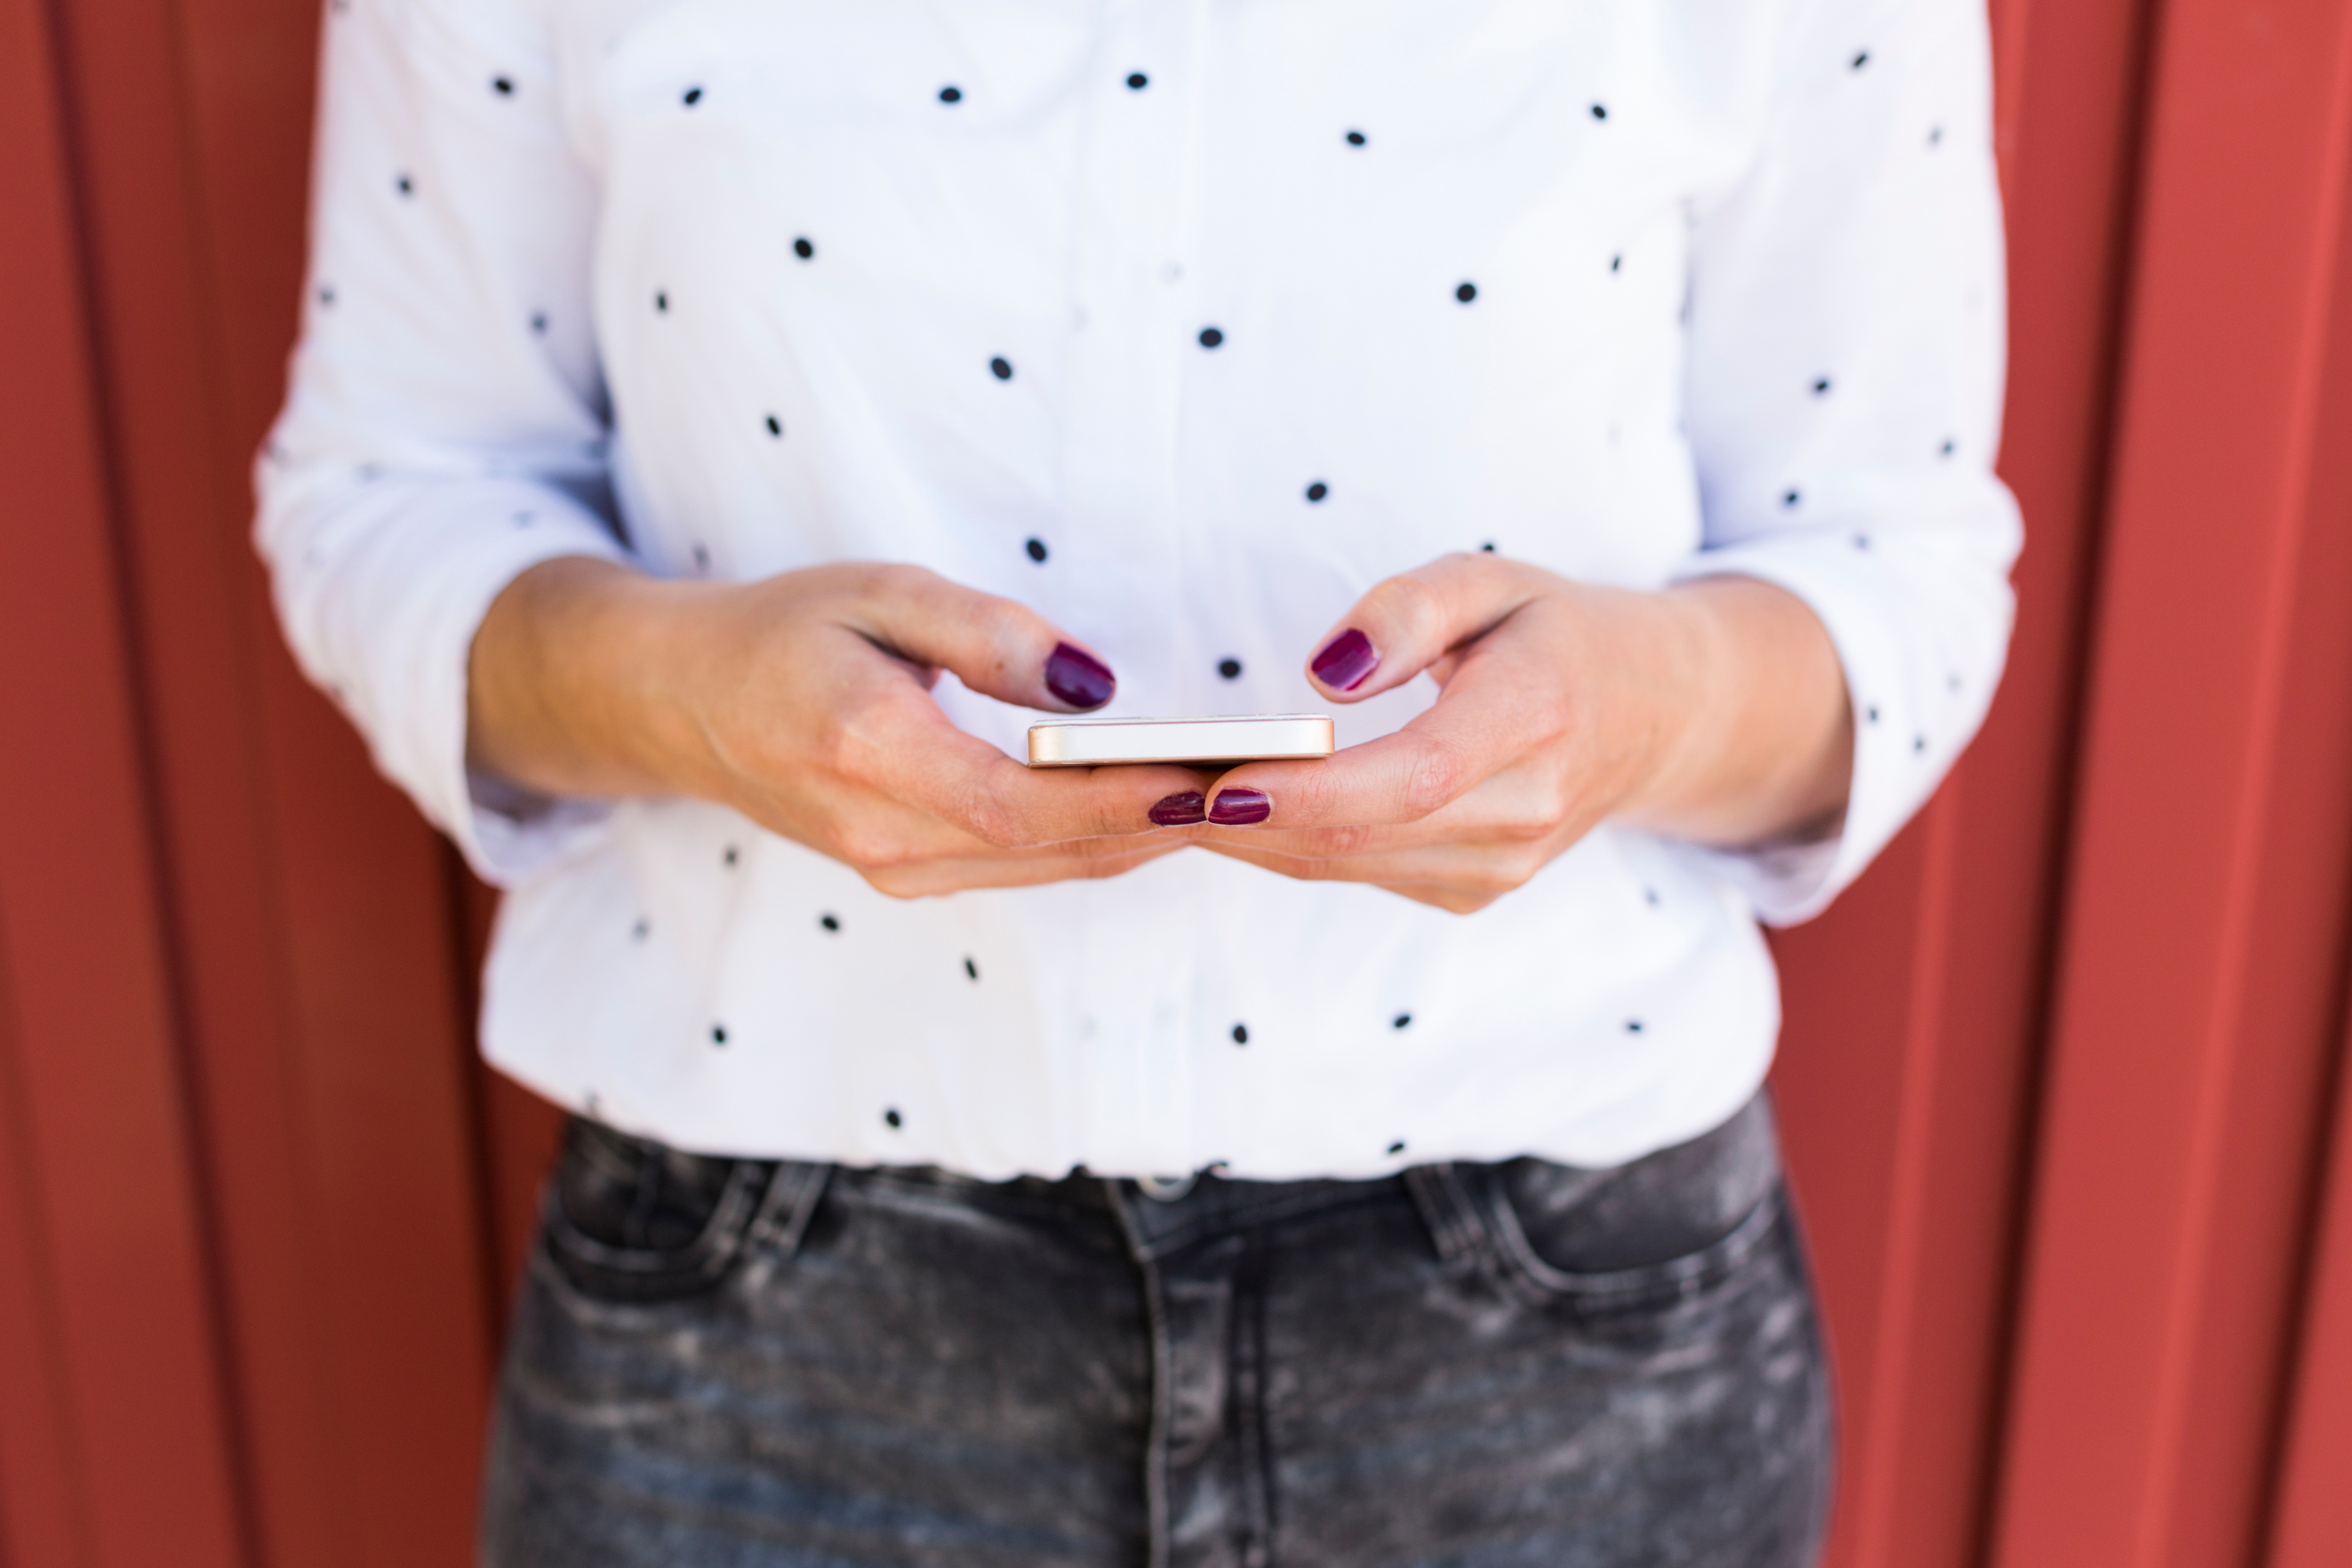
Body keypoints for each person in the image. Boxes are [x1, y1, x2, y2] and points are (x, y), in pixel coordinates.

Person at [258, 1, 2017, 1563]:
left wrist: (1647, 702)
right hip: (770, 1331)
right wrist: (691, 698)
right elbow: (396, 488)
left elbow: (1894, 559)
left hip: (1555, 1343)